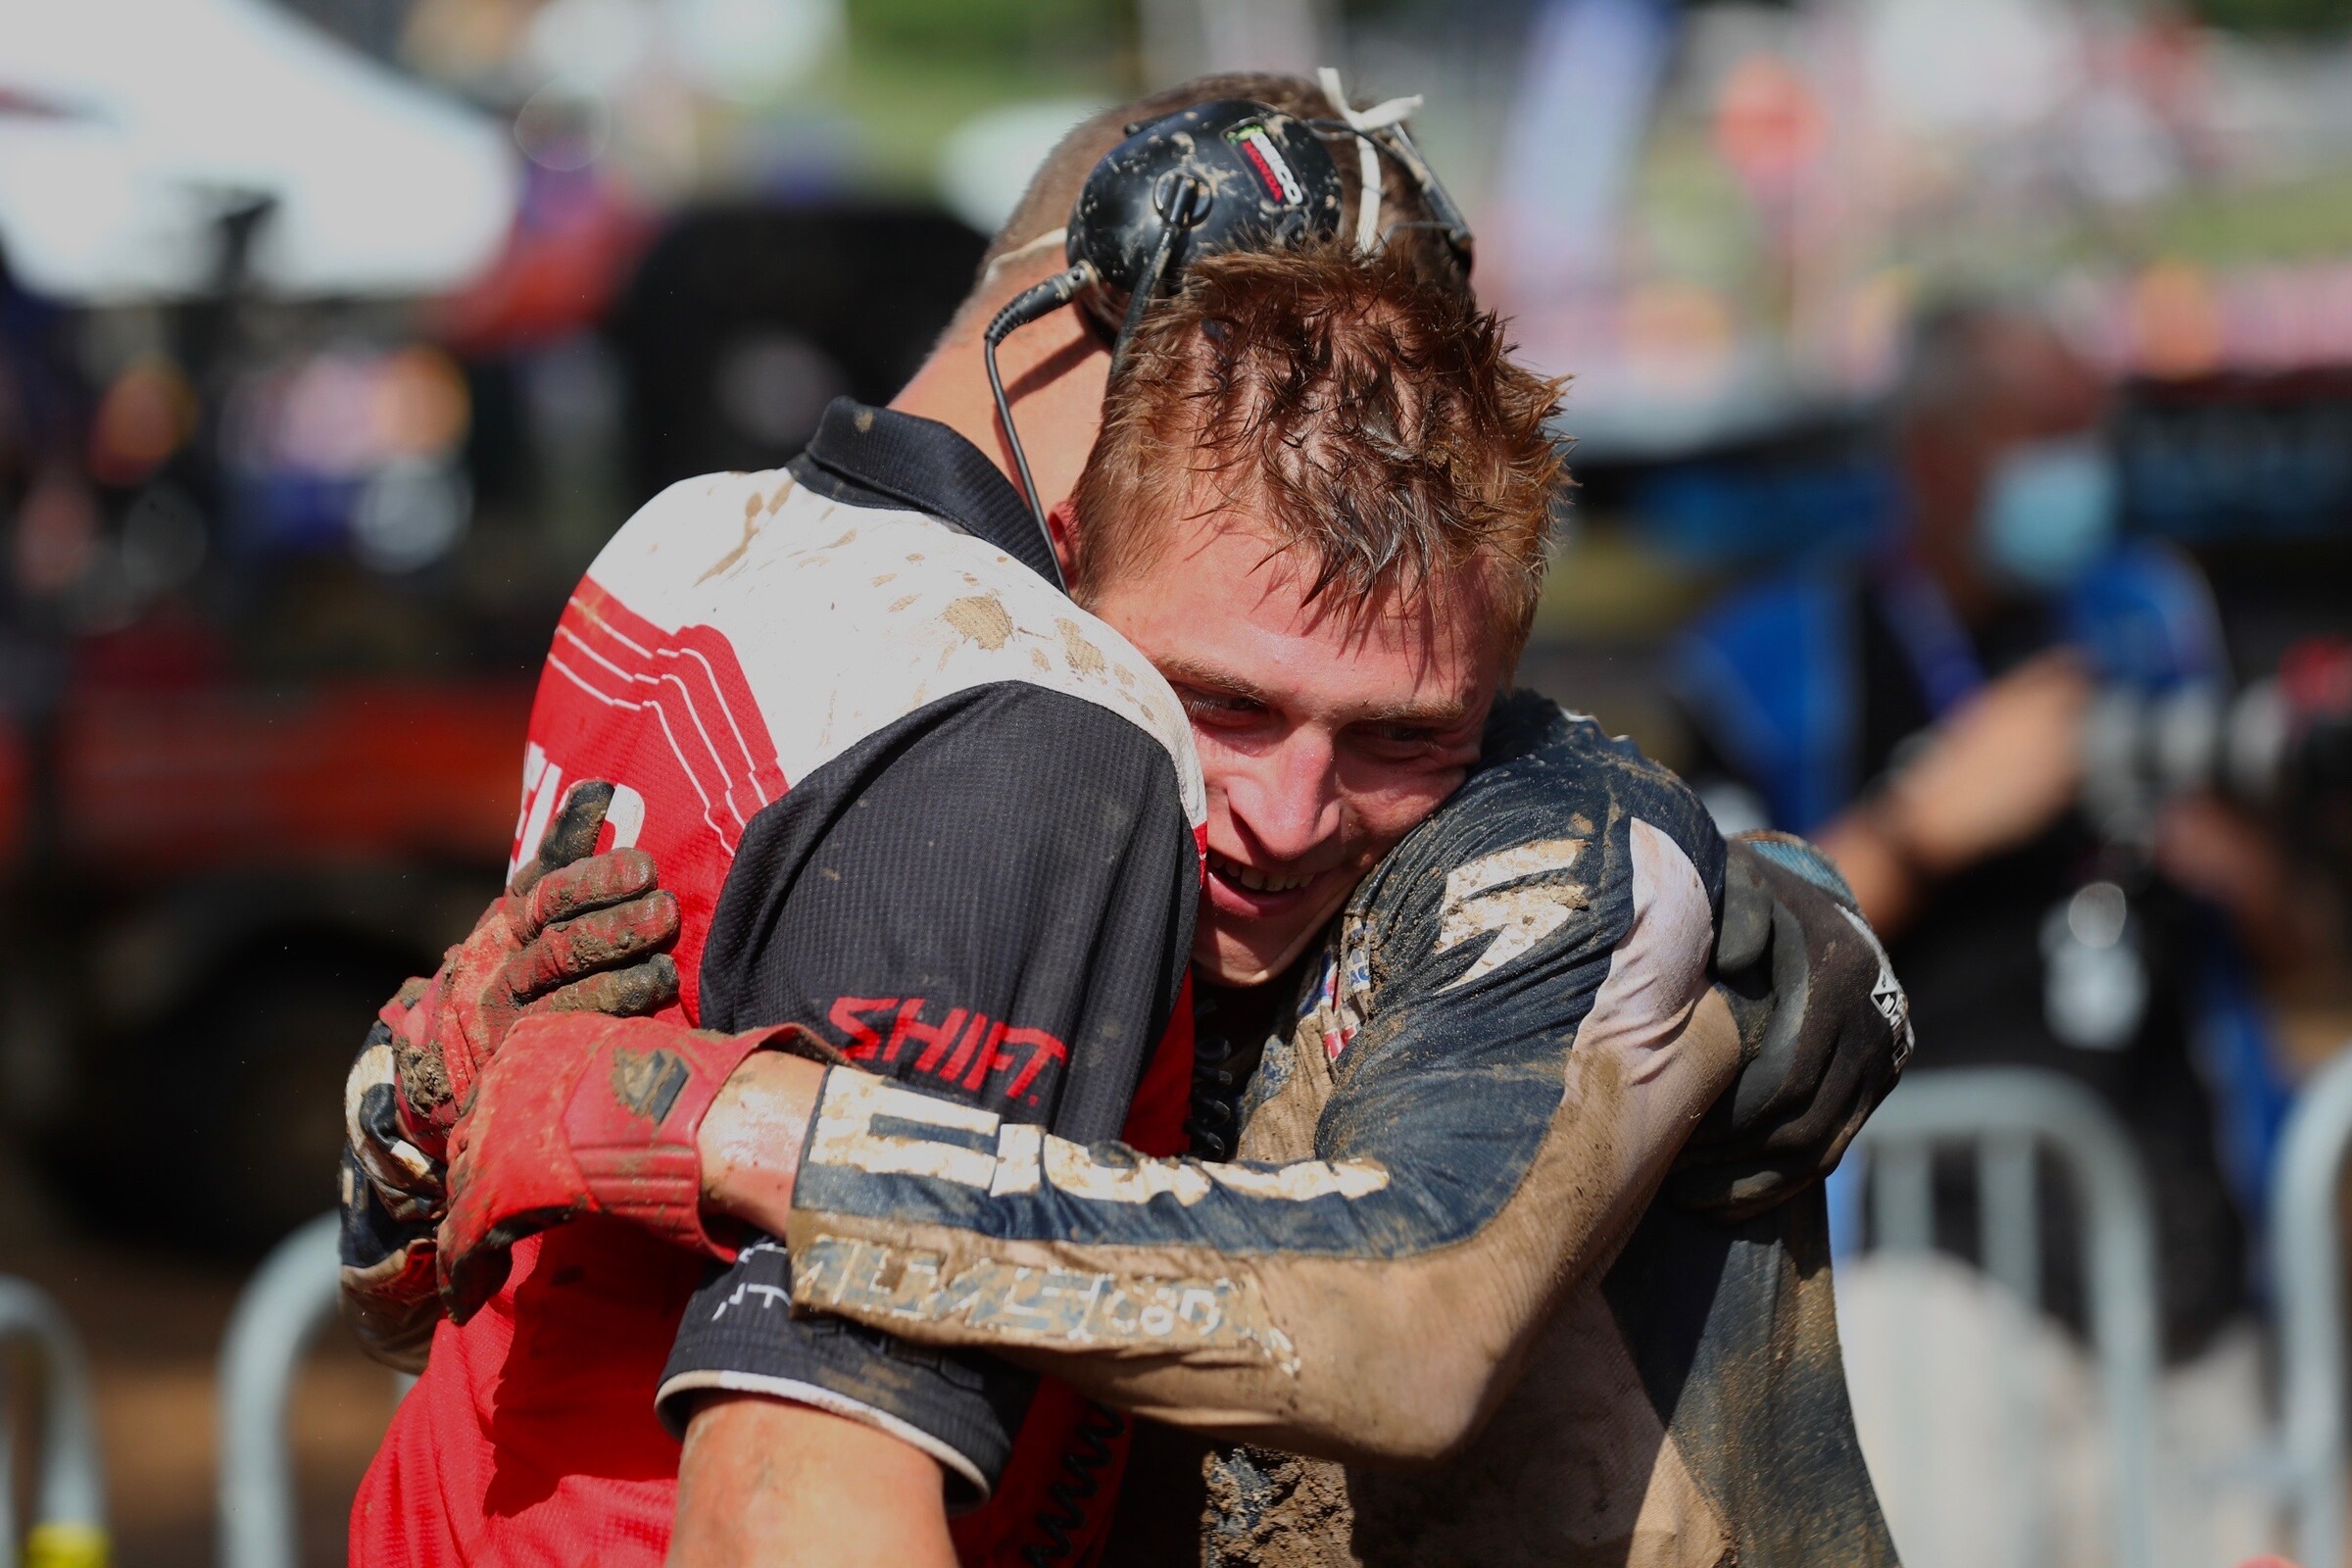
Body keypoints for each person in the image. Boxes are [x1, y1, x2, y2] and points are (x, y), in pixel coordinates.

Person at [429, 242, 1906, 1567]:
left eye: (1403, 734)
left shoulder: (1545, 838)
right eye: (1226, 704)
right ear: (1067, 584)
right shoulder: (1003, 779)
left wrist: (726, 1127)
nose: (1288, 812)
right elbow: (436, 1273)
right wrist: (416, 1100)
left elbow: (1409, 1324)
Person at [1669, 301, 2298, 1355]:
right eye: (2042, 429)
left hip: (2193, 1276)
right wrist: (1924, 828)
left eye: (2092, 429)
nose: (2080, 465)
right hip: (1931, 1287)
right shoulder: (1770, 662)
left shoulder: (2150, 616)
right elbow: (1711, 987)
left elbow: (2294, 941)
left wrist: (2223, 850)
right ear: (1932, 453)